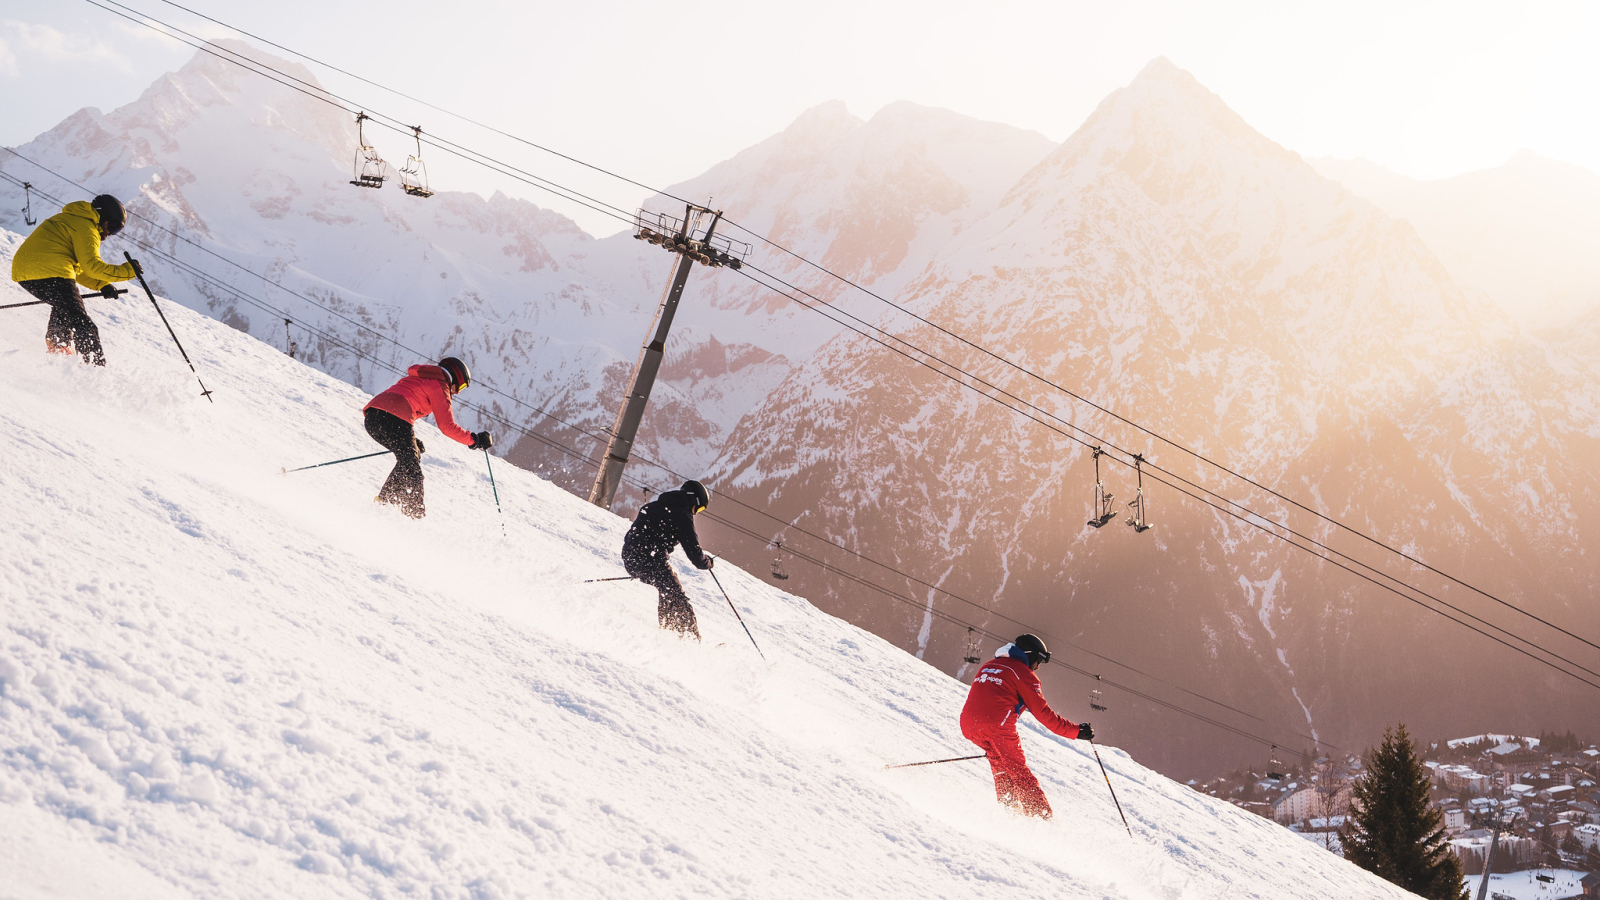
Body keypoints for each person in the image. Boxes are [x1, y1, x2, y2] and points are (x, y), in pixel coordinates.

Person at [959, 634, 1092, 819]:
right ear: (1029, 655)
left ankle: (1010, 811)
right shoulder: (1023, 673)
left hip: (968, 725)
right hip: (997, 725)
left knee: (1000, 765)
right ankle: (1041, 819)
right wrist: (1077, 732)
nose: (1037, 667)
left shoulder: (988, 665)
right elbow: (1045, 715)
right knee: (1018, 770)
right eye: (1038, 661)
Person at [9, 194, 138, 366]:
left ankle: (58, 347)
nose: (109, 234)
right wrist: (128, 271)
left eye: (116, 231)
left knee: (64, 307)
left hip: (27, 271)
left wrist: (102, 285)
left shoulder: (74, 219)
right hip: (49, 271)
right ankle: (94, 370)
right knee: (82, 322)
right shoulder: (86, 227)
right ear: (103, 218)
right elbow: (92, 266)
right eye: (113, 227)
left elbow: (77, 269)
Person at [361, 357, 491, 519]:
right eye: (461, 387)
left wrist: (412, 443)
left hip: (372, 418)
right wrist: (475, 440)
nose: (457, 392)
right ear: (455, 377)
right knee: (412, 471)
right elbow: (447, 426)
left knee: (408, 461)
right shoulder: (440, 385)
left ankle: (385, 503)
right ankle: (414, 518)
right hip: (395, 419)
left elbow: (397, 403)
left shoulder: (418, 376)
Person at [622, 480, 714, 638]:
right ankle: (688, 640)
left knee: (667, 590)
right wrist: (708, 562)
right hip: (650, 561)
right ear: (694, 500)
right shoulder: (682, 514)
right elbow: (695, 555)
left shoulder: (653, 506)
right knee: (676, 595)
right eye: (699, 507)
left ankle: (669, 632)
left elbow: (633, 535)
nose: (696, 512)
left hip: (631, 558)